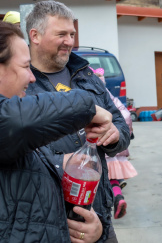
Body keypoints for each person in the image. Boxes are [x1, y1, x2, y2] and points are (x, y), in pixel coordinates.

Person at [25, 0, 130, 242]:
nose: (70, 41)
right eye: (61, 34)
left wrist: (114, 136)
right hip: (50, 221)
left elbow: (120, 125)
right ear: (35, 35)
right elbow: (18, 158)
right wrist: (63, 163)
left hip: (99, 215)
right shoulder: (21, 84)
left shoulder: (85, 75)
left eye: (72, 33)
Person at [0, 21, 114, 242]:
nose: (31, 78)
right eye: (25, 67)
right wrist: (87, 107)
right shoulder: (13, 124)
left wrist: (92, 230)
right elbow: (13, 122)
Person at [91, 67, 138, 219]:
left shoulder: (92, 98)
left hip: (100, 144)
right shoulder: (111, 97)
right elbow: (125, 114)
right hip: (116, 144)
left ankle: (106, 204)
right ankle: (118, 198)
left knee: (100, 179)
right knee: (113, 178)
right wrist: (126, 133)